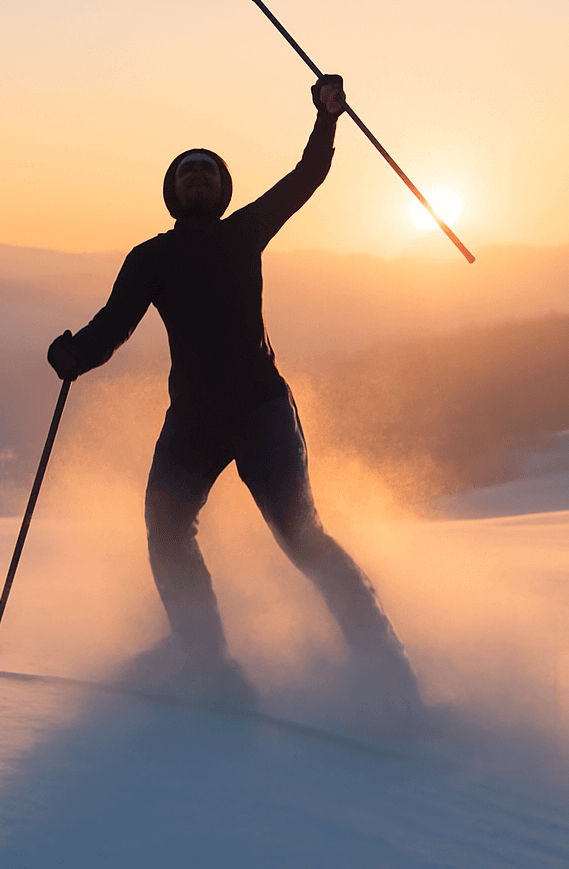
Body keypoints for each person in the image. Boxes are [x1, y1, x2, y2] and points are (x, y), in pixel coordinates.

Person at [46, 74, 419, 711]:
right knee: (165, 529)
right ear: (170, 194)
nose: (197, 179)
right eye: (186, 174)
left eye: (208, 173)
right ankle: (209, 665)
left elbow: (307, 175)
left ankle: (390, 679)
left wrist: (327, 114)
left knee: (301, 537)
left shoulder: (246, 231)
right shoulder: (149, 259)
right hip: (194, 419)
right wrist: (76, 353)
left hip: (262, 411)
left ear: (224, 191)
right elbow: (113, 327)